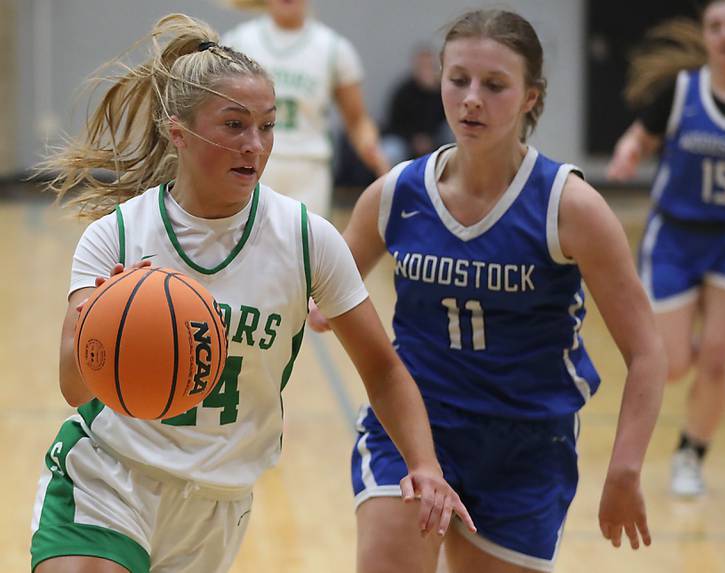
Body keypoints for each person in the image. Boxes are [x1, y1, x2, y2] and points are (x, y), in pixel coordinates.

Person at [29, 14, 473, 573]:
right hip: (110, 477)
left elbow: (382, 368)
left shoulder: (306, 238)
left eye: (266, 126)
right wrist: (99, 318)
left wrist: (424, 464)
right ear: (178, 132)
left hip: (217, 502)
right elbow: (73, 386)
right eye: (234, 125)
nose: (255, 145)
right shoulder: (116, 235)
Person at [310, 9, 666, 572]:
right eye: (459, 80)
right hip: (412, 425)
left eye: (495, 85)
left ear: (530, 97)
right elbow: (320, 296)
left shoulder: (568, 206)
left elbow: (646, 352)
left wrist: (625, 468)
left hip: (524, 444)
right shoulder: (396, 193)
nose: (472, 98)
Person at [607, 0, 725, 497]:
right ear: (706, 36)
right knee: (671, 364)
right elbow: (641, 136)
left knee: (717, 359)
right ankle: (690, 333)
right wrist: (628, 153)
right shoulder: (681, 91)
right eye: (716, 26)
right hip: (675, 237)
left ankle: (691, 453)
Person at [222, 0, 390, 218]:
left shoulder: (334, 48)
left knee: (304, 249)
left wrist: (375, 155)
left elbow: (357, 120)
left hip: (309, 169)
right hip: (249, 161)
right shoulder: (237, 41)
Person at [381, 45, 450, 167]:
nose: (426, 71)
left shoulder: (443, 91)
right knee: (391, 150)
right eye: (422, 67)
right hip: (406, 141)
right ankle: (391, 183)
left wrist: (430, 139)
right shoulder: (403, 91)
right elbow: (394, 124)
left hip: (436, 139)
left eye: (430, 66)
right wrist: (414, 139)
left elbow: (449, 120)